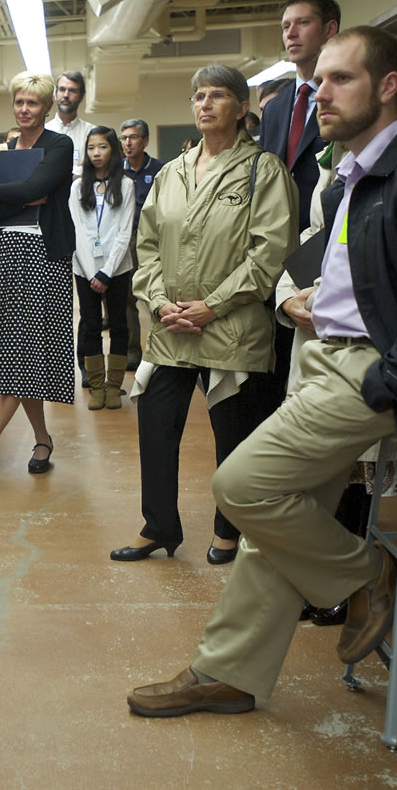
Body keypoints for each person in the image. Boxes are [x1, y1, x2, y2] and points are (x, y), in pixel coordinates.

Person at [127, 26, 397, 717]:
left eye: (341, 80)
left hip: (371, 374)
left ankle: (367, 574)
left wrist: (386, 382)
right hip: (326, 356)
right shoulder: (358, 173)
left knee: (242, 486)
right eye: (319, 80)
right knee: (282, 517)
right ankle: (230, 670)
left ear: (389, 88)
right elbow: (356, 274)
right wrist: (305, 298)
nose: (320, 93)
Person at [109, 65, 298, 565]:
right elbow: (145, 246)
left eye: (218, 96)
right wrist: (159, 300)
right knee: (155, 421)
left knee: (233, 435)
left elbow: (270, 253)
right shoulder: (172, 171)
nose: (205, 104)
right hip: (172, 327)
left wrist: (213, 305)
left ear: (241, 108)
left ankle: (227, 530)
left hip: (231, 326)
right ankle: (159, 526)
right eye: (198, 96)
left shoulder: (264, 171)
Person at [0, 71, 75, 485]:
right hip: (2, 255)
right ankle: (43, 438)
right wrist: (18, 194)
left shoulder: (60, 145)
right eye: (19, 102)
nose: (24, 109)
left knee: (25, 351)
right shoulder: (3, 149)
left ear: (46, 107)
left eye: (32, 103)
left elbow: (40, 185)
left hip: (44, 255)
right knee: (15, 352)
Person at [260, 0, 341, 405]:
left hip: (325, 242)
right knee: (276, 361)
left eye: (302, 23)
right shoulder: (276, 108)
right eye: (285, 25)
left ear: (329, 29)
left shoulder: (340, 102)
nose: (290, 33)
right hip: (275, 243)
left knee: (313, 361)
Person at [69, 126, 135, 410]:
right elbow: (77, 232)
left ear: (114, 150)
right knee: (91, 325)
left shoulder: (127, 185)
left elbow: (124, 232)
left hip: (118, 268)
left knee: (119, 325)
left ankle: (114, 386)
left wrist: (107, 271)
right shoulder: (76, 187)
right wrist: (91, 271)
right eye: (91, 148)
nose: (96, 153)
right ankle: (96, 386)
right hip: (84, 269)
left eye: (103, 147)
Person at [119, 118, 165, 371]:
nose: (128, 143)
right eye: (124, 138)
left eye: (133, 137)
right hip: (124, 240)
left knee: (155, 295)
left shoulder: (160, 169)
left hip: (151, 241)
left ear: (145, 141)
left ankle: (161, 349)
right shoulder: (116, 170)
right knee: (126, 299)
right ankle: (132, 351)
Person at [45, 71, 95, 174]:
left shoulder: (92, 133)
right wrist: (78, 168)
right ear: (55, 93)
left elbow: (93, 170)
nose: (66, 95)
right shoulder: (43, 131)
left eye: (72, 90)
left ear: (81, 96)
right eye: (62, 89)